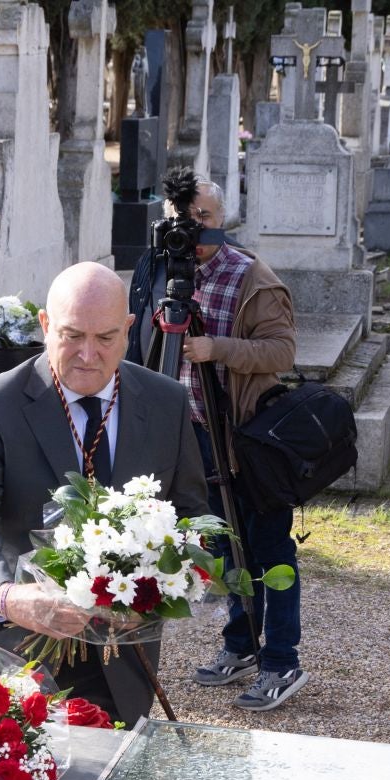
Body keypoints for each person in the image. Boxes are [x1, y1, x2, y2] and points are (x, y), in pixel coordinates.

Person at [0, 261, 208, 727]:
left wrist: (156, 595)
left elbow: (189, 516)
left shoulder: (166, 402)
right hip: (8, 644)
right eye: (71, 335)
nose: (87, 354)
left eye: (105, 338)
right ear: (44, 325)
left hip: (119, 658)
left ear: (128, 329)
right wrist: (7, 596)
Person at [146, 179, 304, 712]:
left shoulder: (251, 277)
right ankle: (239, 643)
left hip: (243, 438)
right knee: (219, 546)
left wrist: (217, 348)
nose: (193, 229)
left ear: (221, 217)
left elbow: (281, 351)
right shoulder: (163, 269)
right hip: (191, 435)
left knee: (267, 549)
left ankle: (282, 660)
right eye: (184, 217)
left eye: (204, 216)